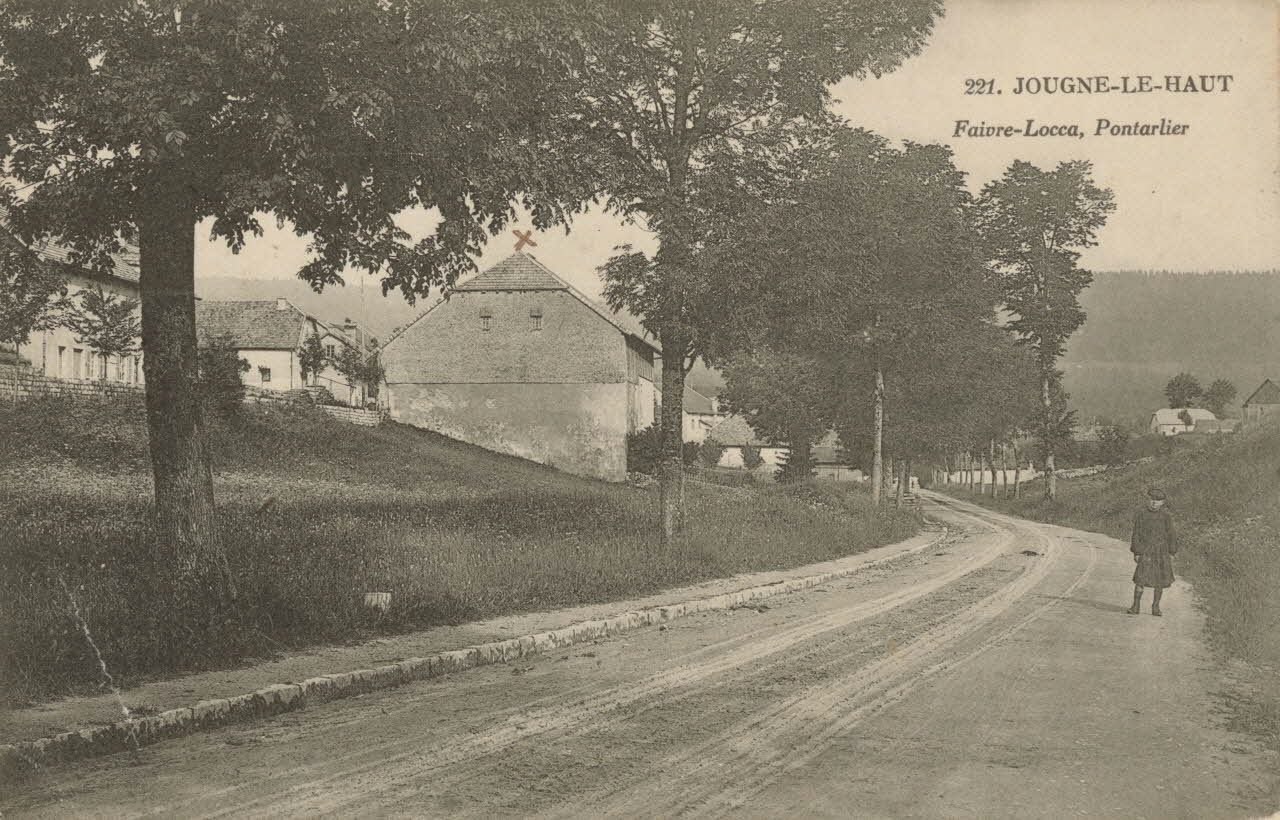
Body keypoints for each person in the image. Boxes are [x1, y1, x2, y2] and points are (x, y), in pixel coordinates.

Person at [1127, 487, 1177, 616]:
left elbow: (1171, 534)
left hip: (1161, 552)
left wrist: (1172, 552)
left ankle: (1156, 607)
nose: (1154, 502)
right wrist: (1137, 552)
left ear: (1163, 502)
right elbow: (1136, 534)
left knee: (1159, 580)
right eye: (1152, 499)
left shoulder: (1166, 517)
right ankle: (1135, 606)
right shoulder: (1142, 515)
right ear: (1148, 500)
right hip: (1146, 551)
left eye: (1158, 500)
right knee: (1140, 579)